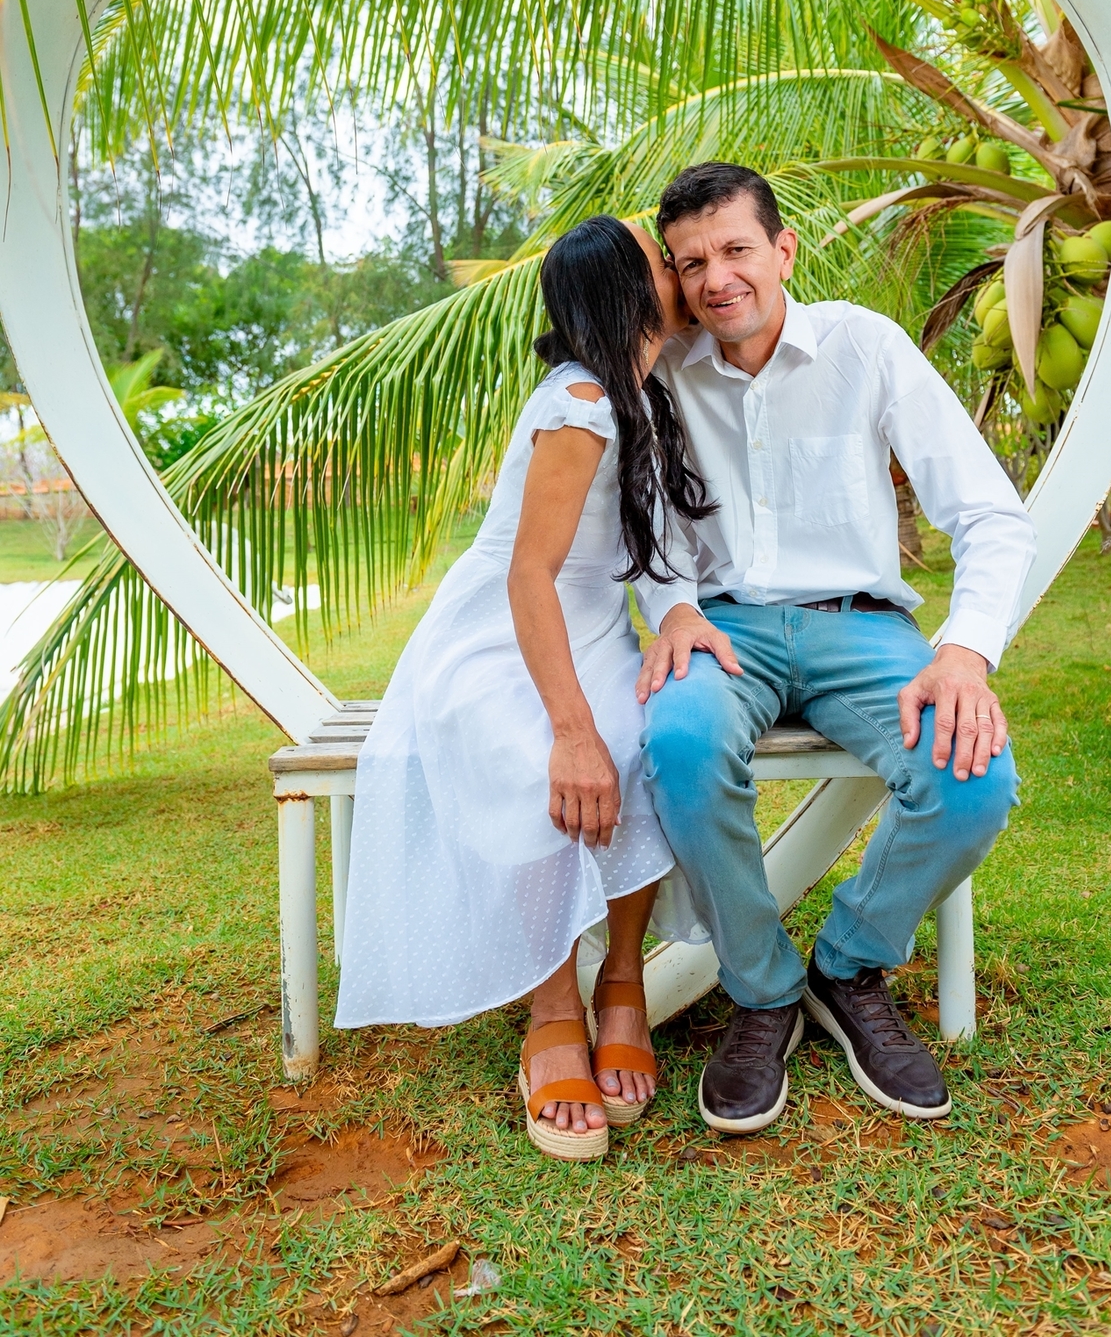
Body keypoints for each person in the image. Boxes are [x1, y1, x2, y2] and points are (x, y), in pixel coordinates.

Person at [634, 162, 1037, 1134]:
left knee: (974, 779)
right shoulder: (663, 376)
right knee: (681, 745)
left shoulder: (866, 346)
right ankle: (763, 988)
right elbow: (642, 523)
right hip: (723, 627)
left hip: (863, 625)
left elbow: (989, 513)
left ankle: (847, 966)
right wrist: (673, 605)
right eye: (691, 262)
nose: (715, 277)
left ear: (783, 251)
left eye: (735, 249)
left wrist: (965, 651)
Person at [335, 215, 723, 1161]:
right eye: (662, 260)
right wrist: (568, 729)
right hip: (497, 639)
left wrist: (673, 620)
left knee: (647, 744)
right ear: (629, 292)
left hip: (588, 624)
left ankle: (621, 979)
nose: (682, 269)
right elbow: (527, 575)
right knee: (543, 765)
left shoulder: (644, 392)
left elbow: (652, 550)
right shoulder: (582, 402)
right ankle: (551, 1008)